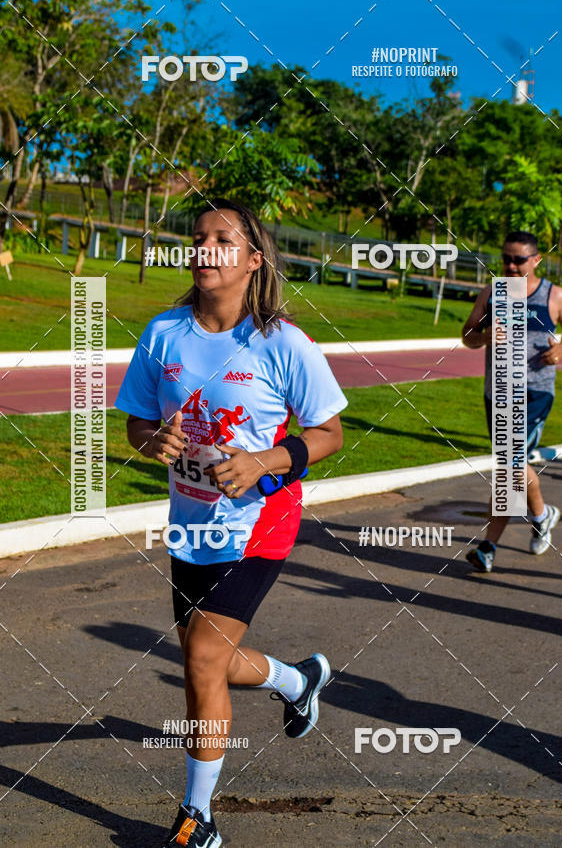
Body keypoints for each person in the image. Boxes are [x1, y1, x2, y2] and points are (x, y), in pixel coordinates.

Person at [115, 198, 347, 847]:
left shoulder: (282, 342)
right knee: (205, 661)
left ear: (253, 259)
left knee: (201, 659)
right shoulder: (164, 333)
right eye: (198, 237)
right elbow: (136, 420)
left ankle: (199, 817)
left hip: (261, 523)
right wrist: (151, 437)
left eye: (223, 239)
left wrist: (266, 462)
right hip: (193, 526)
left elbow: (328, 433)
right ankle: (298, 679)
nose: (205, 247)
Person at [461, 230, 562, 573]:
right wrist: (483, 336)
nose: (511, 266)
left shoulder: (554, 295)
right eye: (506, 259)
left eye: (519, 260)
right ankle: (543, 516)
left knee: (510, 466)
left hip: (536, 391)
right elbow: (467, 335)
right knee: (511, 466)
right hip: (497, 391)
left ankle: (488, 546)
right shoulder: (492, 292)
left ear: (537, 260)